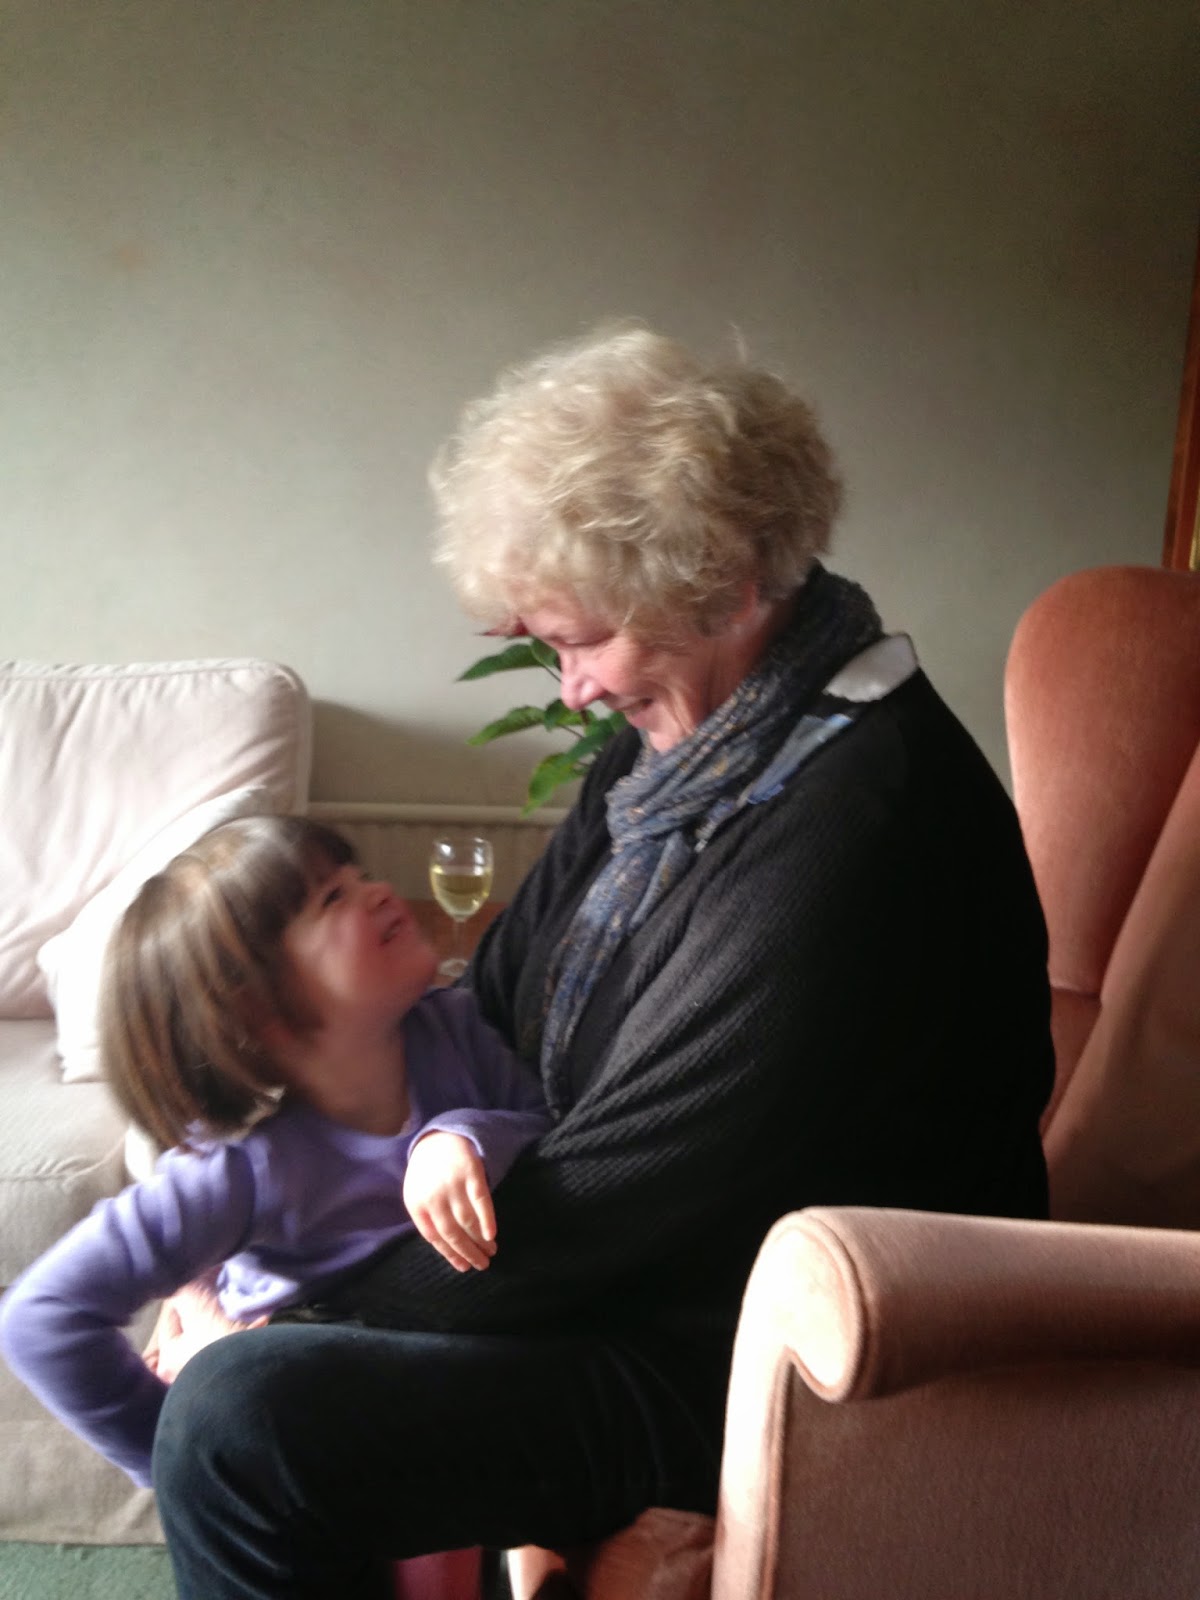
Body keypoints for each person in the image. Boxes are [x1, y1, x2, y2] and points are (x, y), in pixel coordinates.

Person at [148, 324, 1055, 1599]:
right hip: (649, 1285)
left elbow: (597, 1204)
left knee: (242, 1420)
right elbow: (493, 1013)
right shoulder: (684, 758)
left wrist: (275, 1314)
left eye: (583, 641)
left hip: (768, 1353)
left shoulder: (862, 822)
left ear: (720, 581)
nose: (571, 690)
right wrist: (250, 1231)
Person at [0, 814, 549, 1489]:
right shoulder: (239, 1168)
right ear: (259, 1009)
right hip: (318, 1429)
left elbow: (550, 1135)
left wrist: (463, 1134)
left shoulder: (451, 1028)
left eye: (360, 874)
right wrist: (180, 1466)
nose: (378, 890)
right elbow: (43, 1319)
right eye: (333, 898)